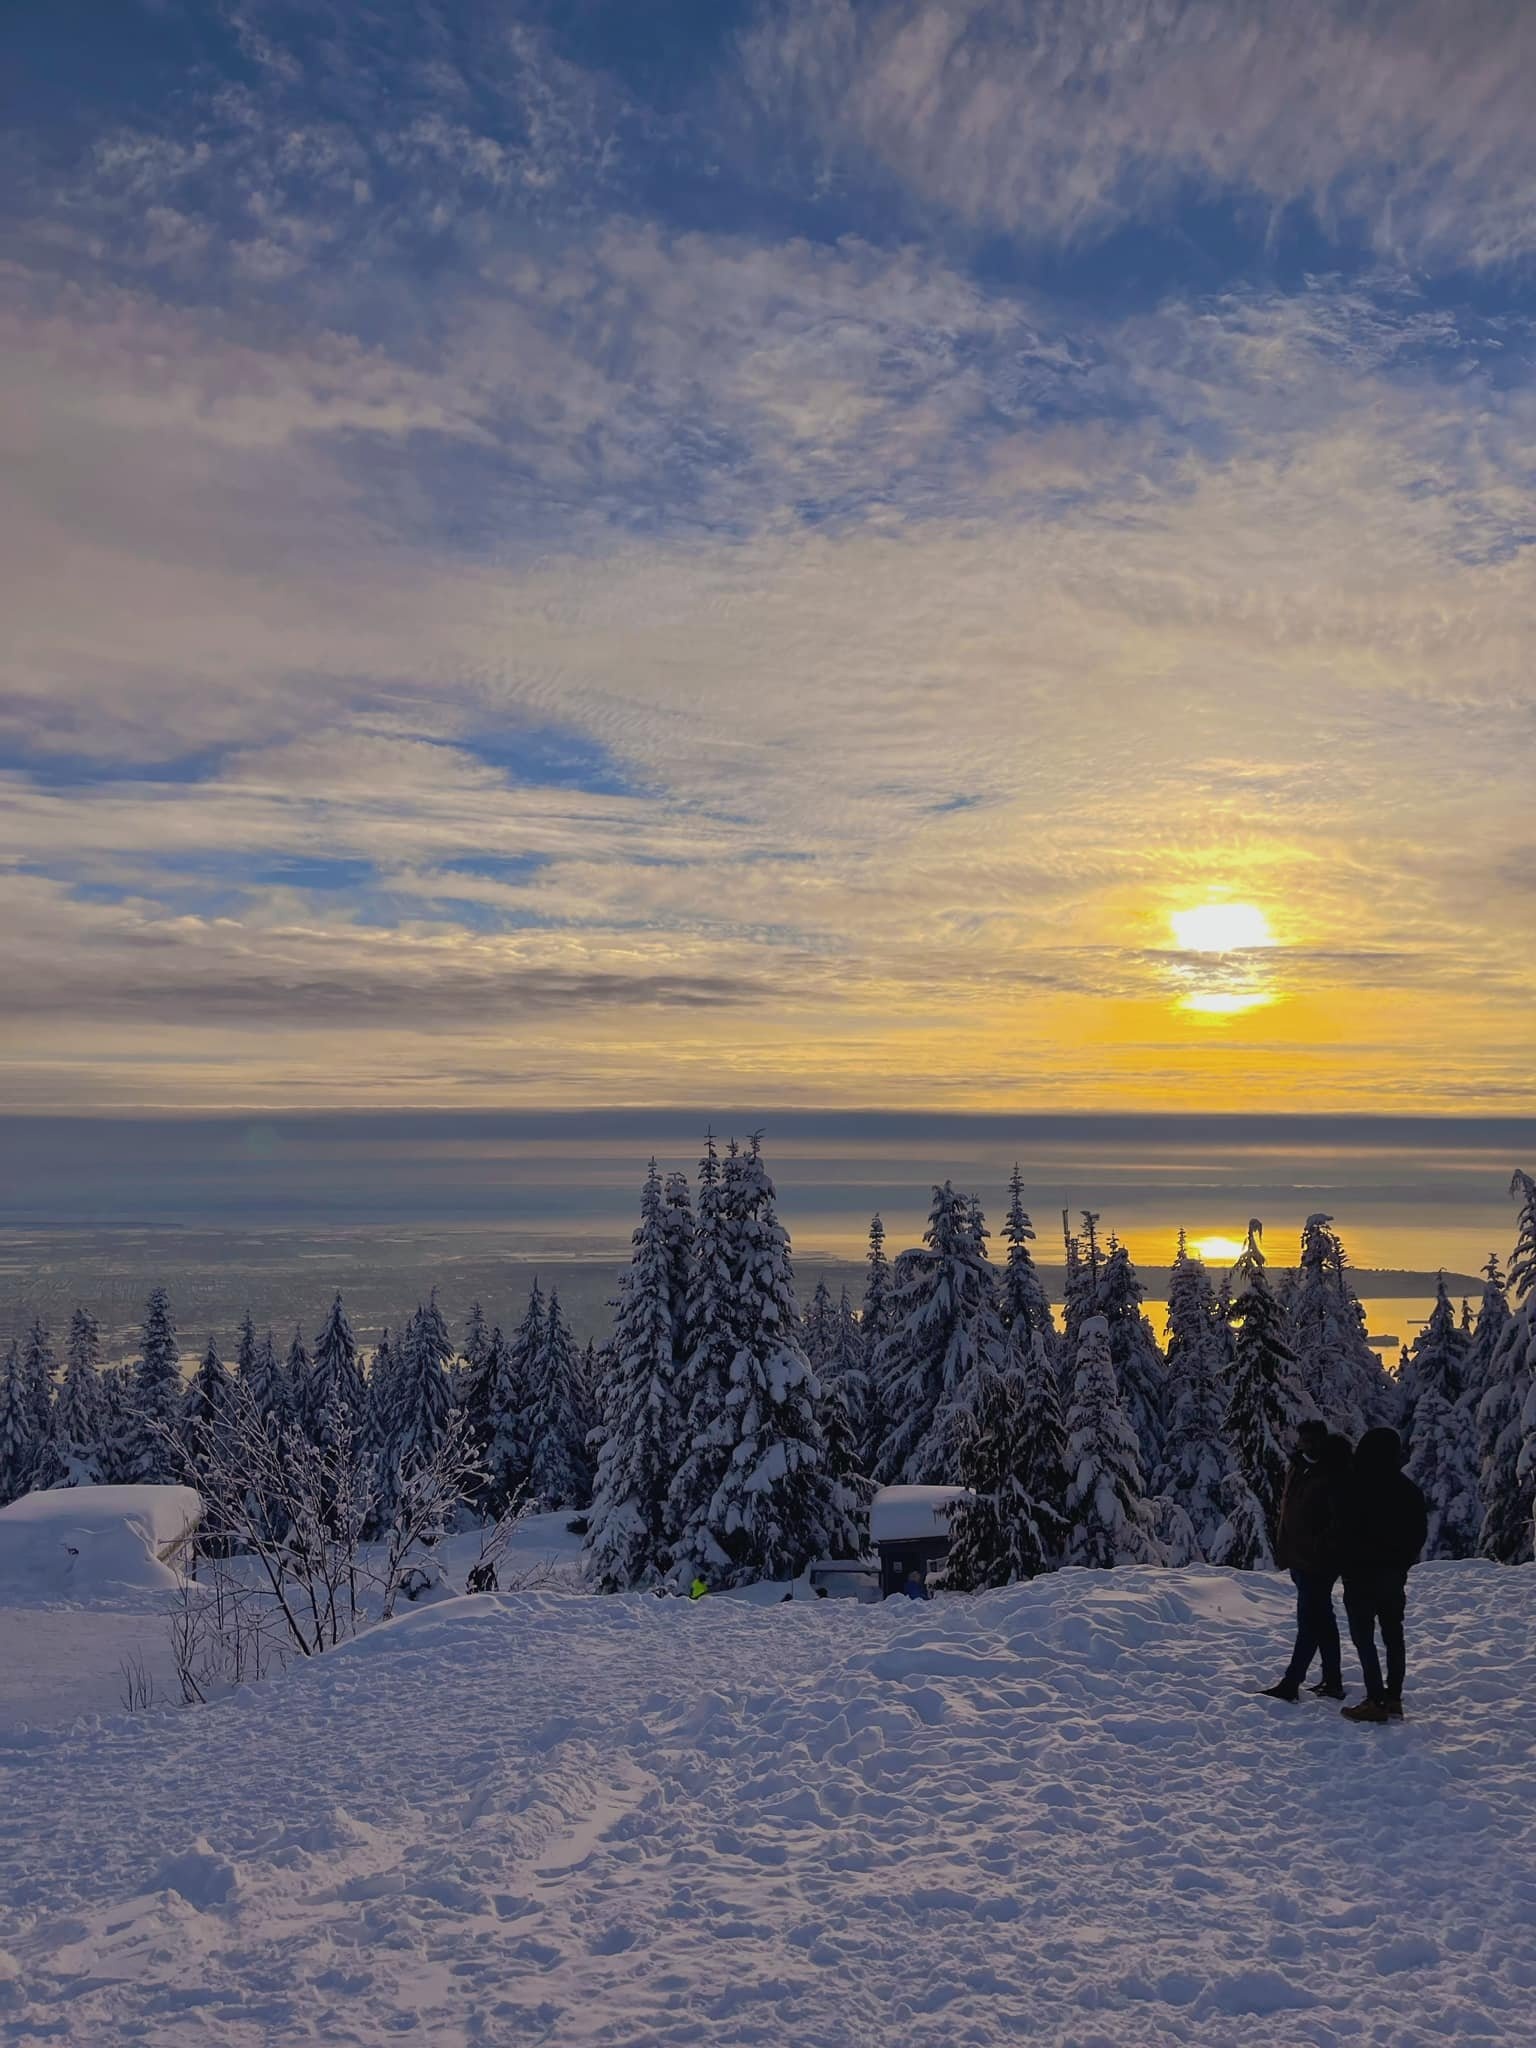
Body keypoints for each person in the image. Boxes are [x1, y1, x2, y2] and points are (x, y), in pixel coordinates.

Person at [1337, 1426, 1428, 1724]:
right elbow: (1418, 1534)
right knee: (1393, 1634)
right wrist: (1401, 1563)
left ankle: (1375, 1699)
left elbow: (1342, 1529)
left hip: (1360, 1574)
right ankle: (1393, 1698)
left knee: (1363, 1636)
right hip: (1392, 1575)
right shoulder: (1408, 1490)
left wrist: (1346, 1562)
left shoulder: (1355, 1486)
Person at [1261, 1418, 1351, 1702]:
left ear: (1322, 1441)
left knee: (1309, 1622)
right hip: (1299, 1558)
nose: (1306, 1445)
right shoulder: (1299, 1467)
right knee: (1323, 1620)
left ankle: (1292, 1682)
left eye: (1312, 1440)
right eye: (1303, 1440)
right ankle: (1332, 1680)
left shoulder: (1333, 1473)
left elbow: (1338, 1521)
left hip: (1318, 1562)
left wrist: (1319, 1548)